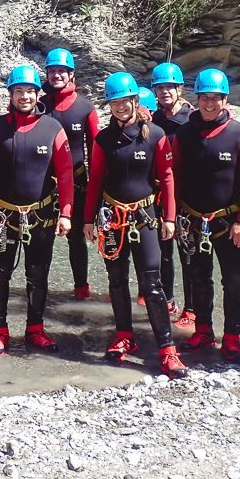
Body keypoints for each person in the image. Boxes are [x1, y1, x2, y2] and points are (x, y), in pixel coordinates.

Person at [83, 73, 187, 379]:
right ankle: (124, 336)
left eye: (124, 102)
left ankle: (167, 349)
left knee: (152, 284)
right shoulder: (103, 139)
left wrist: (168, 217)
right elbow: (95, 181)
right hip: (112, 217)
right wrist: (88, 219)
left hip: (144, 217)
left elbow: (167, 178)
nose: (119, 107)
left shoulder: (155, 135)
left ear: (135, 101)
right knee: (117, 281)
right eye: (113, 103)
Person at [0, 65, 74, 356]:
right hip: (3, 216)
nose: (24, 96)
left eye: (29, 91)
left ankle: (35, 329)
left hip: (42, 215)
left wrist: (67, 213)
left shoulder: (52, 128)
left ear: (38, 94)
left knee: (38, 275)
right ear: (10, 95)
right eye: (18, 91)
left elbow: (67, 173)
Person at [173, 68, 240, 363]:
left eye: (216, 98)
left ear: (225, 99)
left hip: (228, 223)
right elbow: (174, 175)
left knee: (235, 281)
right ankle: (203, 332)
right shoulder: (184, 133)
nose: (210, 103)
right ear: (196, 99)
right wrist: (174, 217)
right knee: (199, 277)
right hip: (193, 220)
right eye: (204, 98)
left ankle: (232, 338)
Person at [41, 48, 100, 301]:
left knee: (76, 238)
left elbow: (97, 151)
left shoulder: (85, 108)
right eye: (52, 71)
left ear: (71, 74)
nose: (56, 75)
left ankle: (81, 288)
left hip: (76, 183)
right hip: (43, 183)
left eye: (61, 71)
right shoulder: (40, 104)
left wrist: (97, 190)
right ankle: (39, 287)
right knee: (41, 238)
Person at [150, 62, 196, 327]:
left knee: (188, 253)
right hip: (159, 195)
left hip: (186, 195)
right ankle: (167, 300)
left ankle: (191, 308)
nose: (165, 91)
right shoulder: (154, 120)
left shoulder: (192, 120)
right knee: (163, 252)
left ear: (180, 88)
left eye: (170, 87)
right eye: (160, 87)